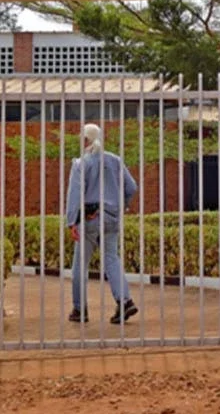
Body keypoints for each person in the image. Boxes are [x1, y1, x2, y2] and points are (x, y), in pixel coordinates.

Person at [66, 123, 139, 325]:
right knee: (112, 260)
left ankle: (80, 309)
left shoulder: (82, 163)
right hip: (111, 218)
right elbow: (132, 187)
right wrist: (120, 206)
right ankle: (125, 301)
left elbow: (74, 194)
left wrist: (72, 221)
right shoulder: (115, 160)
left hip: (90, 219)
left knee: (80, 266)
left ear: (85, 140)